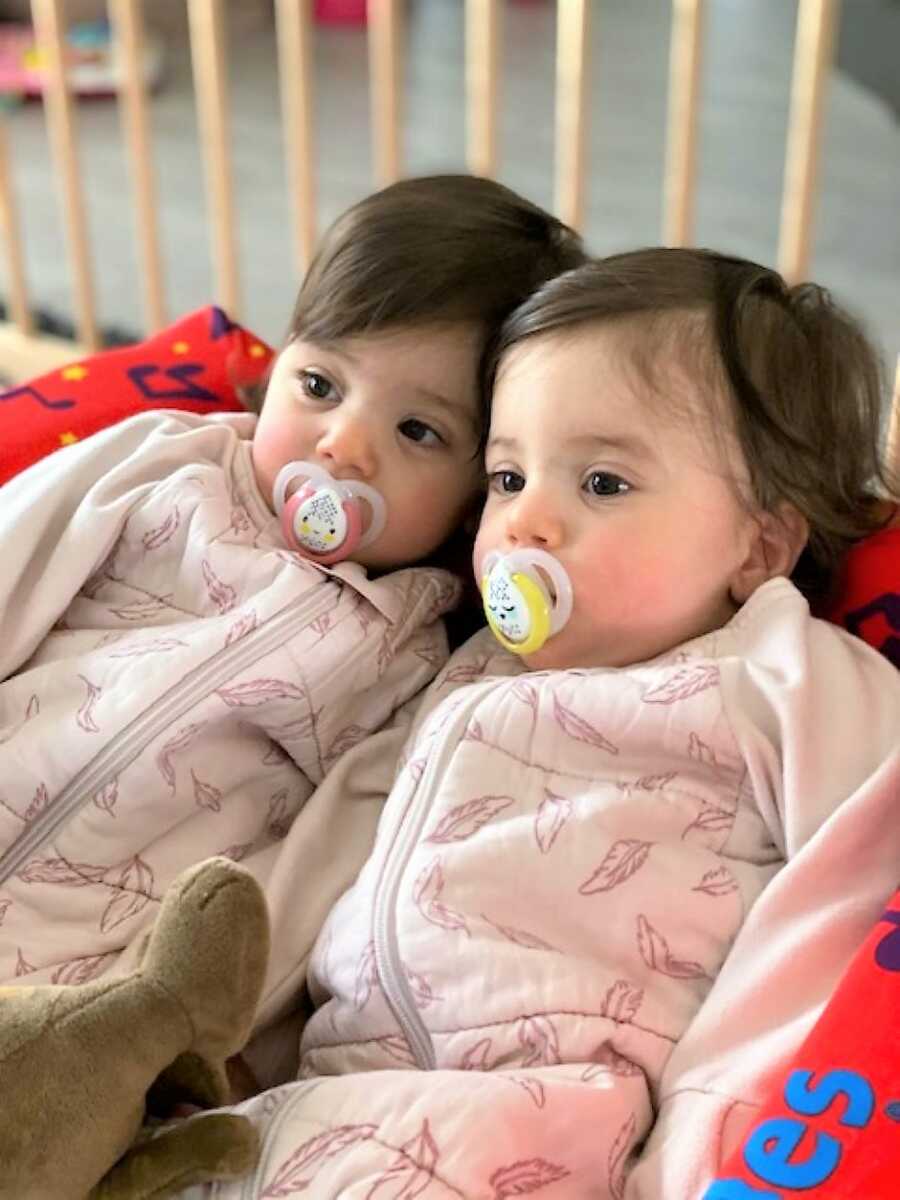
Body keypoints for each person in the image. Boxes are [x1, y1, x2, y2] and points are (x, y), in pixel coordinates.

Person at [177, 248, 900, 1198]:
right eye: (509, 479)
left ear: (760, 543)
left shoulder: (782, 674)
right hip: (330, 1095)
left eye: (601, 484)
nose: (525, 525)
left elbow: (845, 900)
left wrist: (708, 1153)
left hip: (543, 1122)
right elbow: (350, 823)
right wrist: (215, 1033)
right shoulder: (475, 664)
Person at [0, 174, 585, 992]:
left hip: (78, 977)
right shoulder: (170, 464)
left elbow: (321, 871)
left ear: (476, 495)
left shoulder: (411, 670)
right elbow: (17, 554)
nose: (343, 445)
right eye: (319, 386)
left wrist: (188, 1014)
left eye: (418, 430)